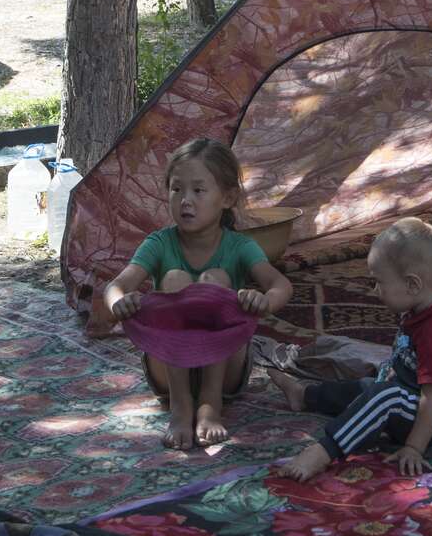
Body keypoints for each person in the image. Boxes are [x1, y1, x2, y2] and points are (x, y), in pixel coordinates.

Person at [97, 138, 293, 449]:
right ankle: (181, 405)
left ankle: (210, 403)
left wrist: (264, 301)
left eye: (198, 191)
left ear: (227, 197)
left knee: (213, 280)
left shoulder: (240, 246)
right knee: (175, 279)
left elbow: (281, 284)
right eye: (177, 190)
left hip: (227, 369)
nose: (186, 200)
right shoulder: (159, 243)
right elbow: (116, 286)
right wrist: (119, 302)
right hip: (167, 373)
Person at [271, 218, 432, 481]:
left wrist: (414, 448)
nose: (375, 290)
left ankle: (324, 451)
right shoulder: (421, 306)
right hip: (410, 395)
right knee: (366, 388)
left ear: (412, 284)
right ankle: (305, 395)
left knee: (383, 397)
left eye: (379, 282)